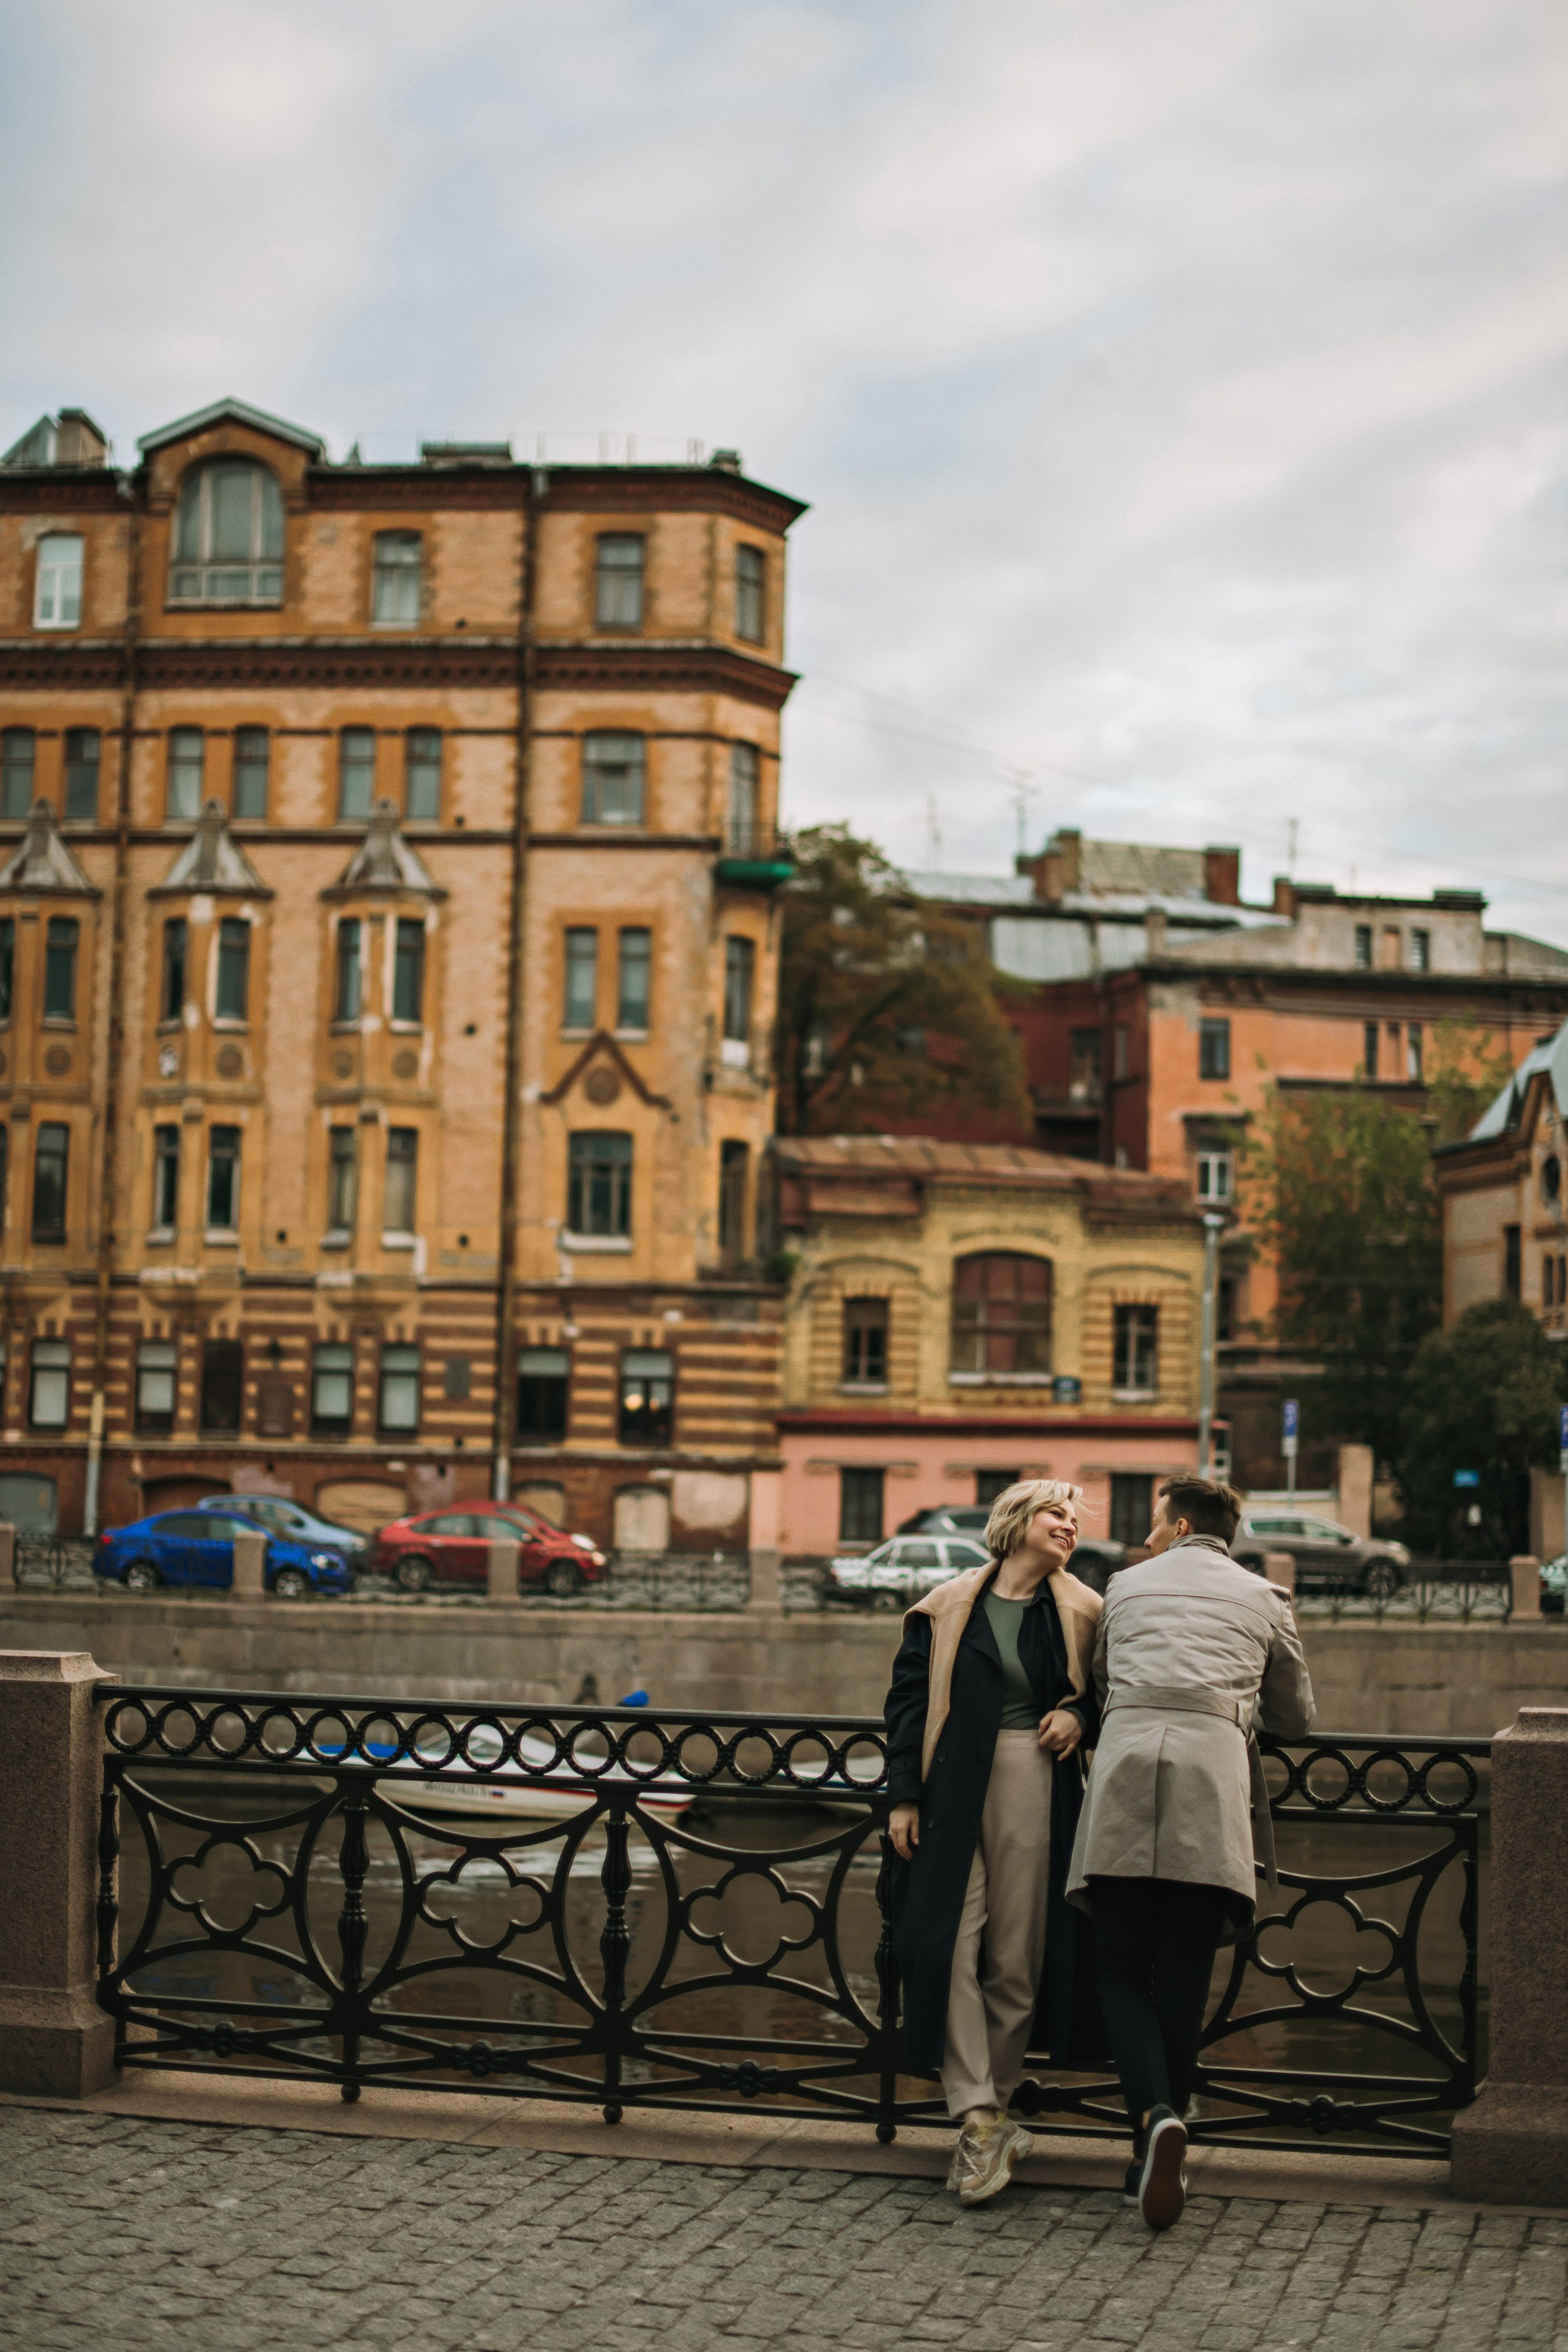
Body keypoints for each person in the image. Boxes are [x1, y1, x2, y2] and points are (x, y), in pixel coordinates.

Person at [1065, 1474, 1315, 2231]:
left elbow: (1103, 1684)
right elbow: (1295, 1718)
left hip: (1124, 1776)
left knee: (1117, 1970)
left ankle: (1153, 2122)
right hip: (1210, 1789)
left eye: (1152, 1522)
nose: (1145, 1536)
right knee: (1180, 1978)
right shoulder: (1265, 1598)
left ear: (1177, 1527)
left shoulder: (1123, 1588)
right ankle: (1163, 2138)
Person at [883, 1479, 1104, 2205]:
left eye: (1073, 1519)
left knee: (1015, 1955)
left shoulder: (1084, 1612)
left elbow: (1112, 1693)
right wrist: (903, 1796)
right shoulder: (947, 1606)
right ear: (1016, 1521)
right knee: (945, 1944)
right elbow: (908, 1703)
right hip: (948, 1787)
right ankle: (979, 2115)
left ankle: (990, 2114)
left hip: (1033, 1778)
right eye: (1055, 1513)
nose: (1068, 1525)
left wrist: (1079, 1716)